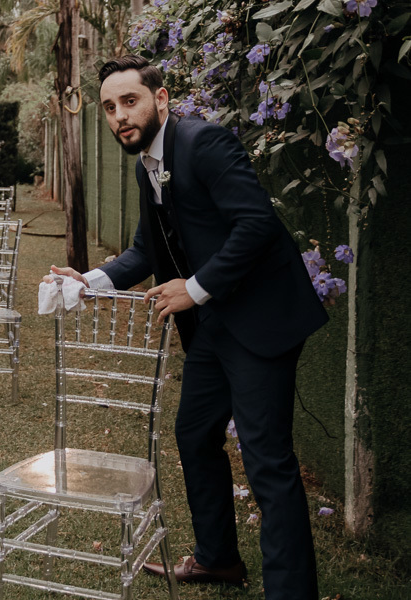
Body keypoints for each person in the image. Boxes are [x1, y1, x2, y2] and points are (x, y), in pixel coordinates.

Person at [46, 55, 328, 599]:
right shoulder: (143, 165)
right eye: (109, 107)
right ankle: (219, 558)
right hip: (214, 327)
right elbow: (145, 251)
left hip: (261, 321)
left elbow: (257, 224)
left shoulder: (204, 143)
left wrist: (193, 287)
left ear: (162, 98)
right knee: (195, 436)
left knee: (268, 461)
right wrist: (89, 281)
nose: (119, 116)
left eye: (129, 101)